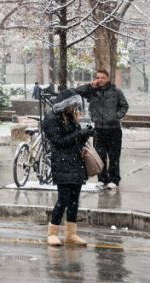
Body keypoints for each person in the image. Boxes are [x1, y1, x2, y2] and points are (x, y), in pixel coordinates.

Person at [43, 90, 94, 247]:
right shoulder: (51, 119)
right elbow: (58, 141)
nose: (74, 107)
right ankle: (52, 233)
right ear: (64, 104)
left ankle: (71, 233)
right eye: (72, 104)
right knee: (63, 199)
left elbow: (74, 139)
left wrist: (85, 135)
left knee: (74, 200)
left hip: (75, 161)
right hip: (62, 162)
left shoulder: (71, 117)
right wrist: (78, 135)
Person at [75, 69, 129, 190]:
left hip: (114, 129)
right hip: (99, 129)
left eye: (102, 77)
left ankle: (114, 179)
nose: (100, 80)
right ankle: (102, 179)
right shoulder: (92, 91)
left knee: (114, 156)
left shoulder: (116, 91)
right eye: (98, 77)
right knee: (100, 156)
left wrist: (117, 116)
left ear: (108, 78)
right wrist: (90, 85)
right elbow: (78, 91)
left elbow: (124, 105)